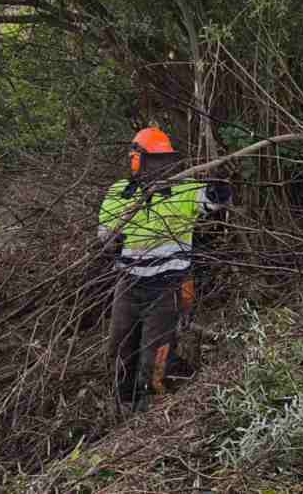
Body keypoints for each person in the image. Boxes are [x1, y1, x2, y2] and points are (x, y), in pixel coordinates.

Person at [98, 127, 231, 412]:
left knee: (155, 355)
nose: (158, 166)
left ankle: (153, 404)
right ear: (137, 160)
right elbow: (105, 234)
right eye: (154, 160)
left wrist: (220, 182)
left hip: (167, 286)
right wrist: (112, 237)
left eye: (162, 160)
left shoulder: (184, 190)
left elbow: (214, 199)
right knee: (120, 347)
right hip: (128, 283)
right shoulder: (119, 192)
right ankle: (124, 403)